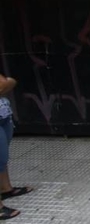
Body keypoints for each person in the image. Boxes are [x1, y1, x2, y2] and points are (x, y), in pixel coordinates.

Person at [0, 74, 34, 221]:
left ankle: (6, 189)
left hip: (2, 112)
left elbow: (8, 83)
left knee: (2, 155)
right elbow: (4, 83)